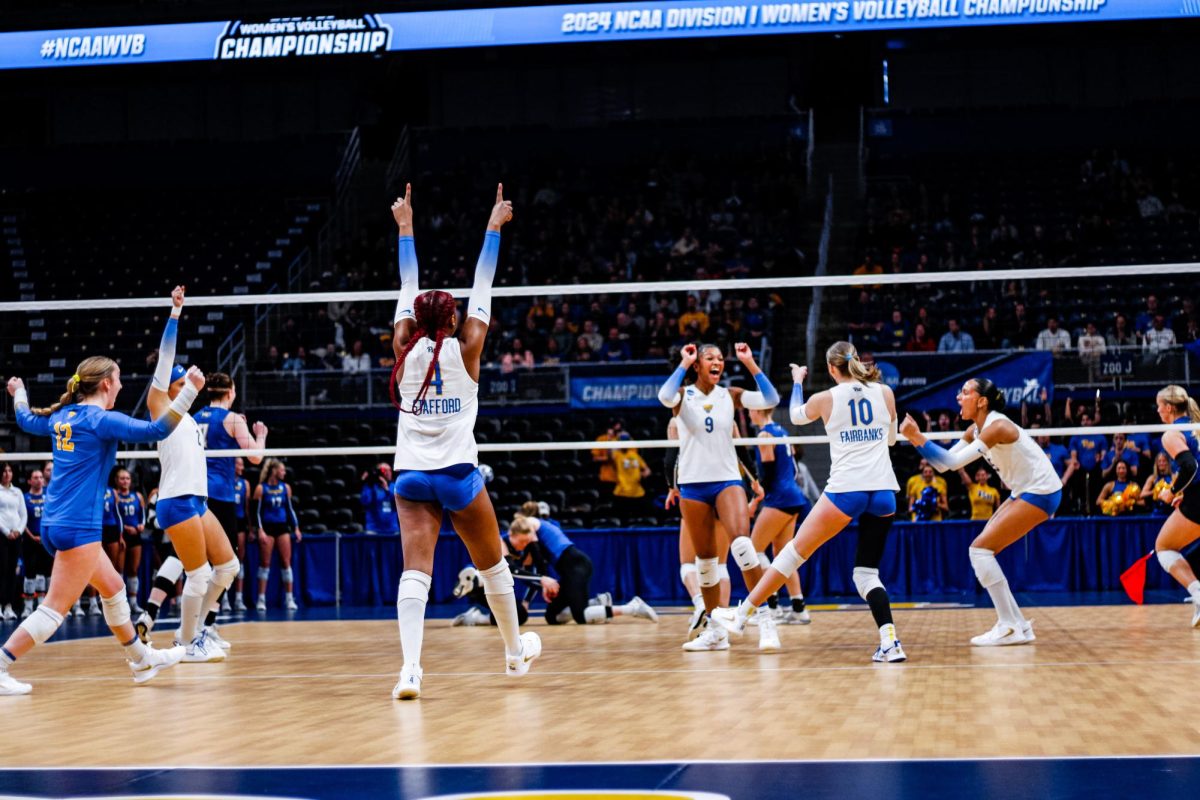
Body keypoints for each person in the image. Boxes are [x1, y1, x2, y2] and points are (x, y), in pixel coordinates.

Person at [387, 183, 540, 700]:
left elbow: (408, 282)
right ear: (452, 321)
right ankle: (515, 656)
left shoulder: (402, 348)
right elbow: (483, 283)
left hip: (410, 476)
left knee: (416, 572)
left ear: (413, 322)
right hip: (457, 475)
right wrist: (493, 227)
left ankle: (410, 670)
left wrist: (406, 227)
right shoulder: (469, 348)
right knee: (492, 563)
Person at [1, 355, 199, 695]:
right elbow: (158, 429)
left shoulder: (63, 416)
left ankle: (141, 659)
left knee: (113, 588)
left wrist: (18, 392)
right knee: (54, 610)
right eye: (119, 378)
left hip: (55, 522)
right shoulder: (100, 420)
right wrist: (190, 391)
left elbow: (24, 418)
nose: (121, 385)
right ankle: (2, 663)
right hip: (79, 526)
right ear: (106, 383)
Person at [714, 345, 906, 663]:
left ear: (831, 369)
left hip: (847, 490)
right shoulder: (885, 392)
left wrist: (798, 381)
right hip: (884, 490)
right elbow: (890, 439)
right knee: (866, 574)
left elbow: (795, 415)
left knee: (791, 554)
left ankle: (742, 615)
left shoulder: (825, 398)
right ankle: (890, 643)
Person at [900, 377, 1062, 646]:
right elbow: (943, 465)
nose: (958, 398)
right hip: (1024, 489)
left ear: (982, 401)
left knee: (979, 550)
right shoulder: (975, 430)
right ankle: (1019, 625)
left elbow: (950, 463)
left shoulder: (996, 426)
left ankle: (1009, 625)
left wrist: (917, 437)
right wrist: (917, 439)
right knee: (982, 551)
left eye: (965, 393)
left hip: (1041, 491)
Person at [135, 287, 240, 664]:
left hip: (198, 500)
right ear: (167, 388)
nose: (186, 389)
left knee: (229, 567)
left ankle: (194, 632)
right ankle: (188, 642)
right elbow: (166, 359)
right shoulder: (159, 405)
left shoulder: (190, 417)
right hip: (176, 502)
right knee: (197, 575)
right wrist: (175, 314)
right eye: (179, 385)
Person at [657, 340, 780, 652]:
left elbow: (770, 397)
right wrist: (683, 363)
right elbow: (664, 396)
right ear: (697, 365)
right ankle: (715, 631)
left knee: (743, 546)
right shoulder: (683, 395)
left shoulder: (731, 395)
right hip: (693, 487)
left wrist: (750, 362)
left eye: (720, 359)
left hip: (726, 481)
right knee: (706, 564)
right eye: (709, 358)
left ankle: (765, 618)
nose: (717, 362)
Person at [195, 372, 267, 621]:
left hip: (197, 493)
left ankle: (203, 625)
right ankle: (205, 625)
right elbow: (255, 457)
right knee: (226, 562)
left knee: (201, 561)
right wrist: (260, 435)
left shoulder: (195, 417)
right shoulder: (233, 419)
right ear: (230, 393)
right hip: (221, 496)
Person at [506, 515, 657, 625]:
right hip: (568, 571)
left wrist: (544, 579)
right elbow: (537, 568)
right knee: (552, 616)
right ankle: (598, 602)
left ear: (514, 532)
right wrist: (540, 586)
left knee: (581, 616)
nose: (523, 545)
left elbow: (539, 562)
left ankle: (632, 608)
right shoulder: (530, 534)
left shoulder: (530, 523)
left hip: (576, 565)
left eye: (524, 541)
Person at [745, 406, 813, 631]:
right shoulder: (782, 432)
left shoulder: (764, 435)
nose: (748, 414)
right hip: (792, 495)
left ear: (758, 411)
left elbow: (766, 473)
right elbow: (793, 469)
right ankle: (799, 608)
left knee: (753, 551)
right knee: (784, 556)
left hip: (779, 498)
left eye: (750, 410)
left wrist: (756, 498)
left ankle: (771, 606)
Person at [1149, 386, 1200, 626]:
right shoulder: (1197, 427)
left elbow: (1190, 467)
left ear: (1168, 408)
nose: (1157, 410)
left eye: (1159, 405)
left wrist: (1171, 492)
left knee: (1164, 547)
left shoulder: (1172, 434)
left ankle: (1199, 595)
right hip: (1195, 496)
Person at [252, 459, 301, 611]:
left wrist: (296, 528)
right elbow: (256, 512)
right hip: (267, 528)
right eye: (282, 470)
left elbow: (290, 510)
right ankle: (261, 599)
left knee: (286, 563)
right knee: (265, 563)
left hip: (282, 528)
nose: (284, 473)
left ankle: (289, 598)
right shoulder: (261, 488)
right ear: (274, 471)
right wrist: (259, 529)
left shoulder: (286, 488)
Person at [113, 468, 146, 614]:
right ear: (116, 480)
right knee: (119, 569)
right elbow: (114, 515)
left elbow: (142, 515)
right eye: (122, 478)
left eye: (127, 478)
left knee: (133, 569)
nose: (125, 481)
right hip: (121, 534)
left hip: (135, 535)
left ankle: (133, 602)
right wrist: (125, 528)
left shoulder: (137, 496)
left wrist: (141, 525)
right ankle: (120, 603)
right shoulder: (115, 495)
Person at [20, 470, 50, 619]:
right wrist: (32, 536)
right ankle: (28, 607)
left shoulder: (49, 496)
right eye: (35, 478)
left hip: (46, 540)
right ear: (29, 481)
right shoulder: (25, 498)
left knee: (44, 574)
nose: (39, 480)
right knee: (30, 573)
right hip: (30, 540)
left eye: (40, 477)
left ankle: (43, 605)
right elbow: (21, 519)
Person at [0, 464, 26, 621]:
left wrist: (18, 530)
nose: (7, 473)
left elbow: (23, 514)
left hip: (15, 536)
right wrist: (5, 531)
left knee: (12, 571)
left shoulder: (18, 492)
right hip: (2, 536)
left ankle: (9, 606)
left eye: (9, 470)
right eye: (4, 471)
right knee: (1, 570)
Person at [610, 433, 650, 519]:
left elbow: (647, 470)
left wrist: (643, 474)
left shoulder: (634, 454)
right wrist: (613, 439)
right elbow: (610, 454)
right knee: (623, 520)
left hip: (637, 492)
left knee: (638, 520)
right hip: (622, 492)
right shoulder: (617, 455)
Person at [361, 463, 399, 535]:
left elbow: (399, 504)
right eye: (384, 470)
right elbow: (365, 502)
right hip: (373, 529)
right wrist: (370, 486)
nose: (388, 473)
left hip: (392, 529)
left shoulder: (395, 486)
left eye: (389, 470)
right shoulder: (370, 487)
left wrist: (387, 490)